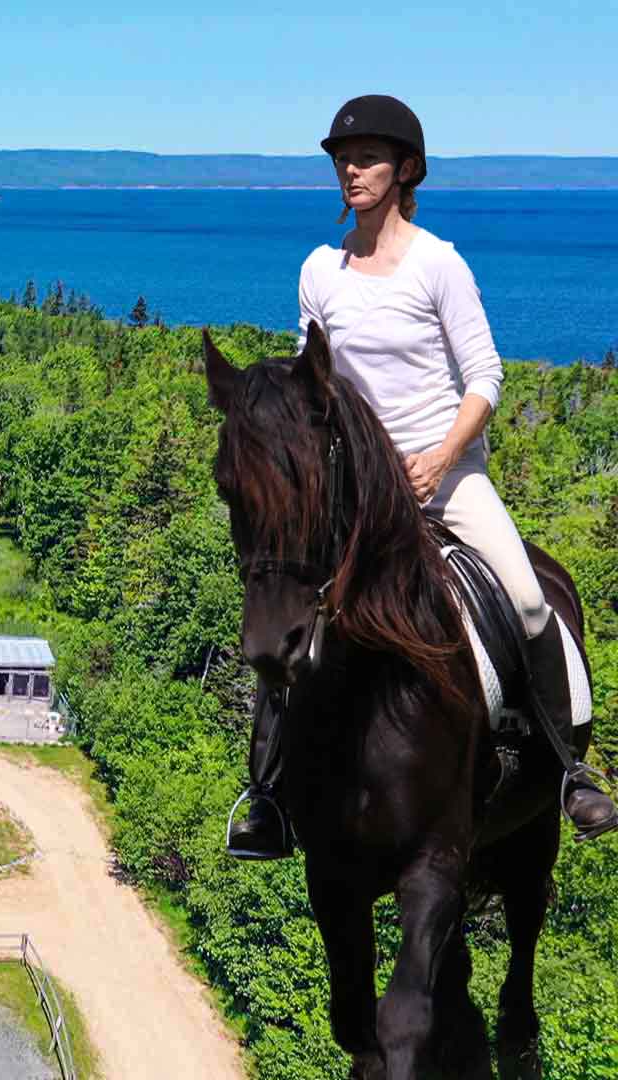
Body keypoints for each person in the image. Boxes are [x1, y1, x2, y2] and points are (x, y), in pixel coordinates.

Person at [226, 94, 618, 859]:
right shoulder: (318, 272)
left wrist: (440, 457)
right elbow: (315, 388)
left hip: (446, 478)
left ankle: (570, 769)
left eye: (367, 157)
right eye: (343, 158)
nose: (350, 169)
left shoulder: (439, 263)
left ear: (405, 170)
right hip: (357, 496)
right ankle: (267, 793)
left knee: (531, 599)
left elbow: (486, 376)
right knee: (286, 617)